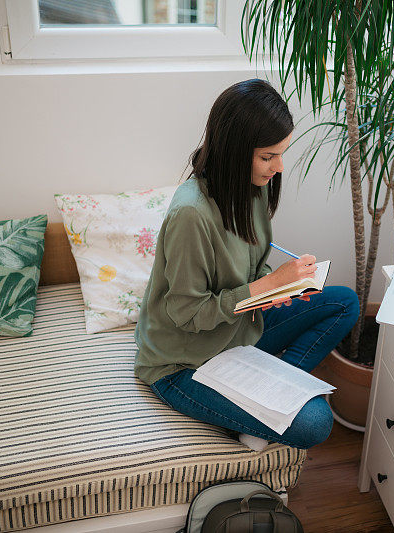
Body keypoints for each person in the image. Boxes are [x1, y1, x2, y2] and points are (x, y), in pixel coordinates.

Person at [134, 79, 359, 450]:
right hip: (183, 361)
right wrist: (266, 288)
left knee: (344, 302)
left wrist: (281, 288)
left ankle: (268, 397)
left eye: (282, 154)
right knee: (316, 423)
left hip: (239, 330)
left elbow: (253, 270)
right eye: (268, 157)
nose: (279, 167)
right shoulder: (191, 214)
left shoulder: (250, 189)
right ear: (234, 151)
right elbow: (187, 313)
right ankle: (266, 402)